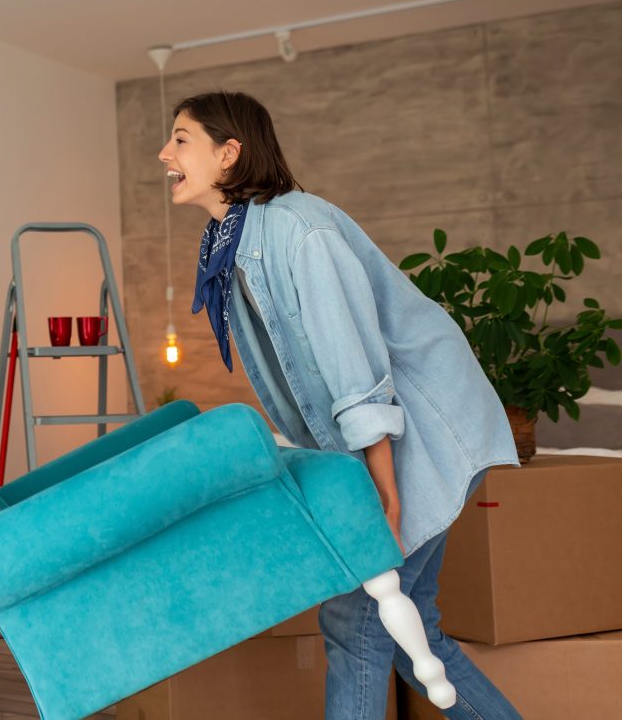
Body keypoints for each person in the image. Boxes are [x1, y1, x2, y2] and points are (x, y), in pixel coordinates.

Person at [158, 90, 522, 719]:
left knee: (357, 618)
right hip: (391, 439)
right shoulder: (235, 240)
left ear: (229, 153)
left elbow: (354, 372)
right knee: (413, 635)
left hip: (425, 433)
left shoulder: (300, 231)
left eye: (181, 138)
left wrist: (380, 491)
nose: (164, 153)